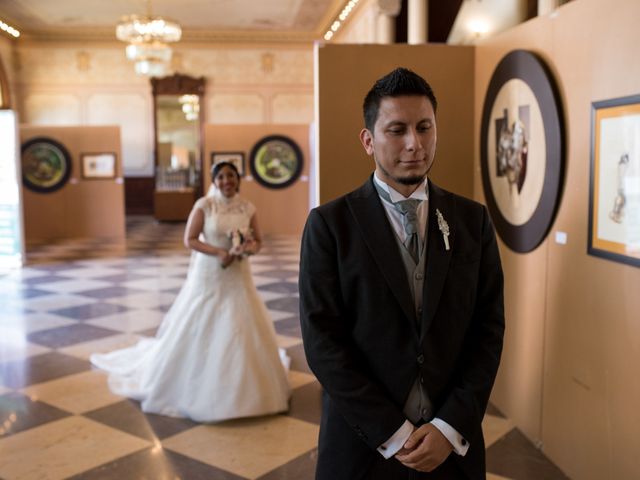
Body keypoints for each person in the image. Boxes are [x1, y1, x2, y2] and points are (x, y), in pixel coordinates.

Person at [299, 68, 504, 479]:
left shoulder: (472, 220)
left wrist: (448, 427)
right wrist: (392, 432)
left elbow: (488, 329)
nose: (415, 144)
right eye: (397, 130)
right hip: (364, 448)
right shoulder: (330, 225)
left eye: (424, 127)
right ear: (368, 140)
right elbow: (323, 342)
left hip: (452, 448)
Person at [91, 161, 290, 422]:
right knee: (203, 316)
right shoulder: (204, 206)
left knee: (241, 320)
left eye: (231, 176)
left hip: (238, 273)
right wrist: (219, 251)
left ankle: (244, 383)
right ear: (214, 180)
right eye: (220, 177)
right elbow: (190, 239)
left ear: (238, 179)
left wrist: (247, 249)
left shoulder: (248, 207)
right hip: (209, 272)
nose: (226, 181)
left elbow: (259, 241)